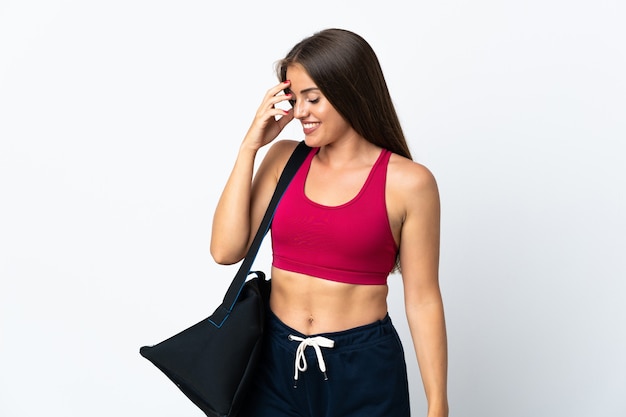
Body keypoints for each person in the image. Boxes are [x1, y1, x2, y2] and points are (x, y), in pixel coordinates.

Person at [210, 28, 448, 417]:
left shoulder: (409, 183)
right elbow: (225, 250)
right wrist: (251, 146)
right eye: (294, 98)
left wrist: (438, 403)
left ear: (351, 94)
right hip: (273, 362)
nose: (300, 112)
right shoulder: (283, 160)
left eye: (313, 99)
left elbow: (422, 299)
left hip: (364, 369)